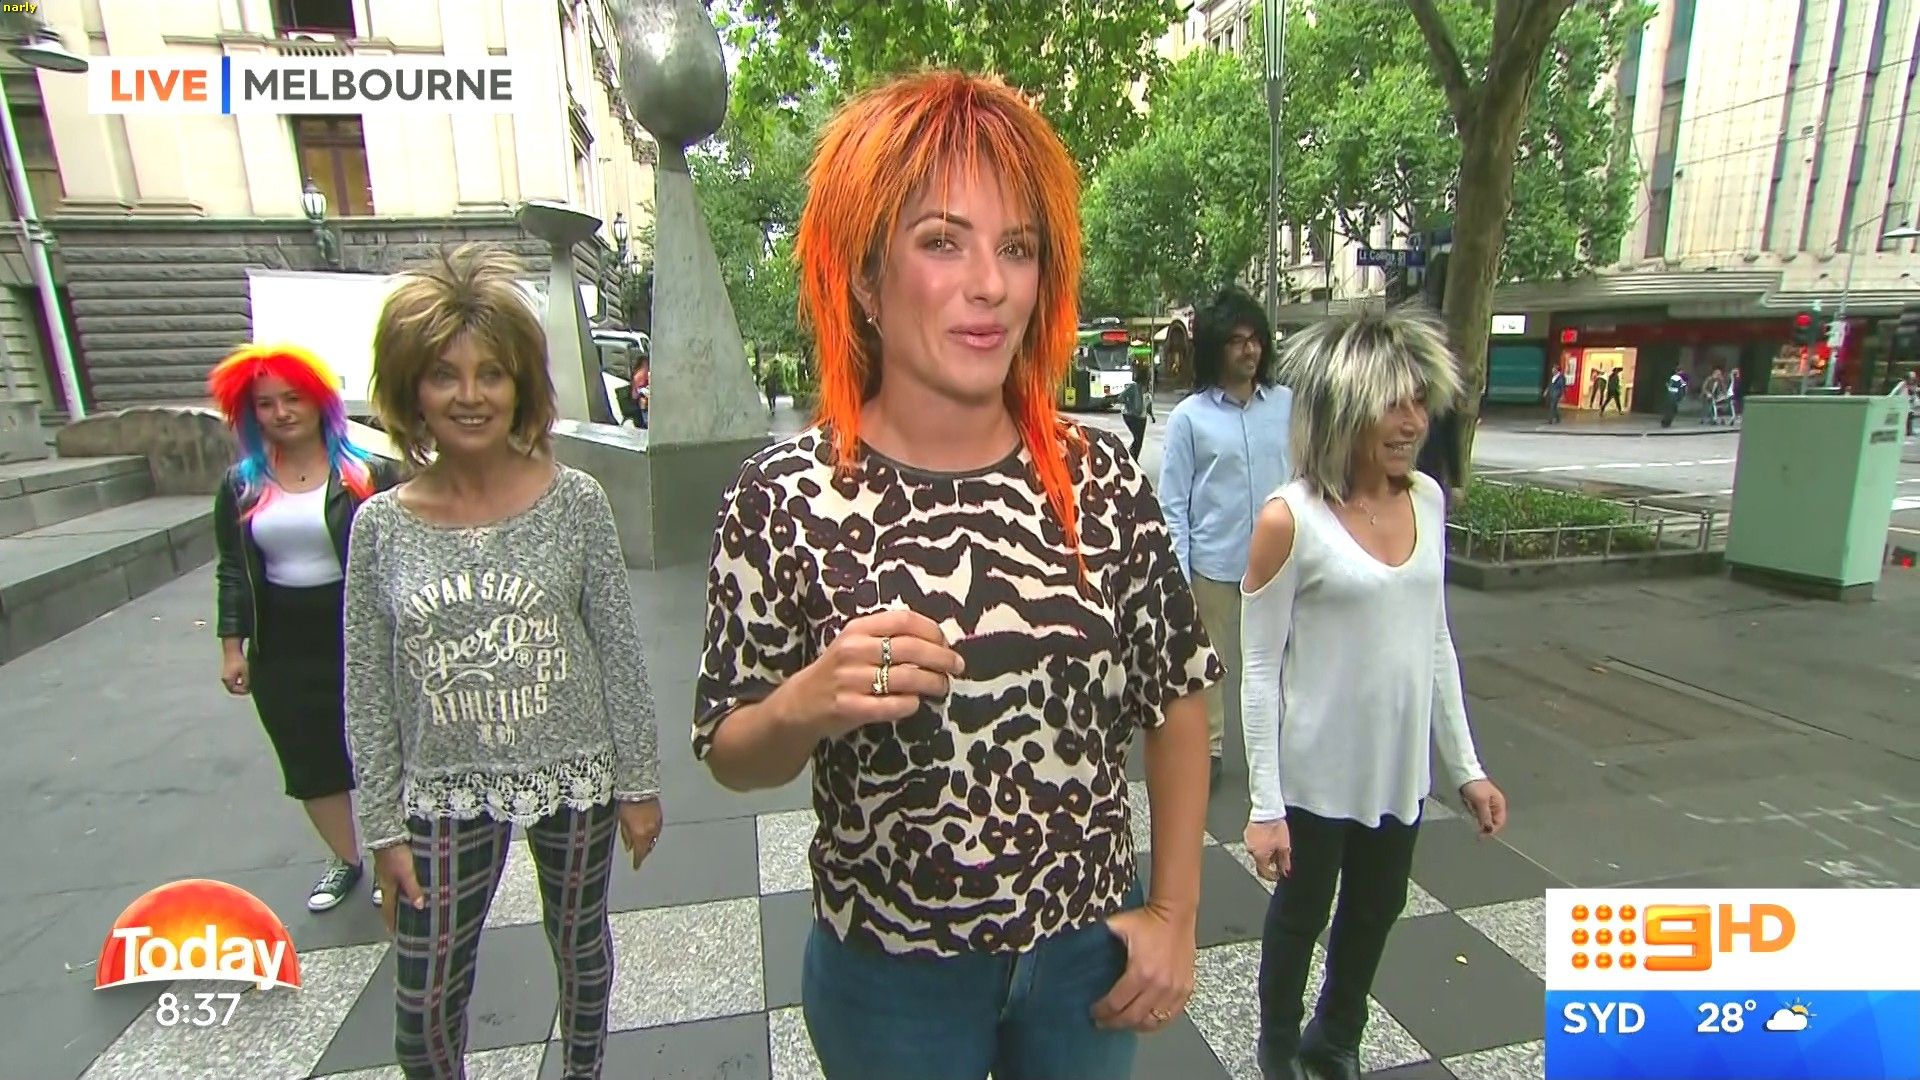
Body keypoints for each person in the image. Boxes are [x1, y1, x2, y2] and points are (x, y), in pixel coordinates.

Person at [693, 71, 1223, 1080]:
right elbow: (730, 748)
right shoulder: (782, 498)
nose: (991, 284)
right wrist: (808, 702)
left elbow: (1178, 691)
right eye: (943, 241)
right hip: (889, 976)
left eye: (1016, 248)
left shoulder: (1100, 479)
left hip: (1085, 958)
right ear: (864, 278)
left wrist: (1174, 913)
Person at [345, 245, 663, 1080]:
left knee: (580, 946)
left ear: (521, 384)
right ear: (411, 388)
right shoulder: (380, 528)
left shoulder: (576, 504)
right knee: (423, 1005)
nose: (470, 395)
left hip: (575, 773)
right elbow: (367, 690)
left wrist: (638, 783)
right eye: (444, 375)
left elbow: (619, 653)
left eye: (491, 373)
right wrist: (382, 829)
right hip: (442, 786)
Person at [1239, 307, 1508, 1080]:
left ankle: (1336, 1037)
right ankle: (1278, 1047)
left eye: (1420, 401)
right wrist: (1265, 806)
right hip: (1315, 775)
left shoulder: (1427, 500)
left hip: (1399, 771)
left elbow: (1434, 638)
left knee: (1377, 908)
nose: (1412, 422)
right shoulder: (1289, 519)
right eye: (1393, 403)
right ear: (1344, 410)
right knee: (1300, 917)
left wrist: (1467, 768)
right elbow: (1257, 669)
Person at [211, 343, 403, 913]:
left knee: (381, 747)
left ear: (320, 401)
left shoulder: (365, 474)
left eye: (293, 398)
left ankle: (391, 855)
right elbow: (232, 568)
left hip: (359, 626)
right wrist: (231, 647)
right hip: (283, 640)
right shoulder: (241, 485)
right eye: (266, 403)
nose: (282, 412)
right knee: (310, 757)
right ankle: (345, 859)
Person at [1158, 288, 1293, 788]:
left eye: (1255, 339)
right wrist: (1179, 575)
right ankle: (1210, 749)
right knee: (1208, 665)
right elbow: (1174, 503)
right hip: (1213, 564)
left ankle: (1281, 747)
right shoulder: (1190, 418)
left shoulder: (1287, 406)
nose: (1249, 349)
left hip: (1280, 564)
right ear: (1216, 348)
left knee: (1282, 661)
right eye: (1237, 340)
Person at [1121, 358, 1151, 457]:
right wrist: (1130, 406)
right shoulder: (1134, 387)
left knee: (1139, 441)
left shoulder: (1147, 388)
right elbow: (1121, 397)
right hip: (1132, 416)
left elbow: (1147, 402)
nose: (1150, 378)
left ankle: (1133, 457)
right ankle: (1131, 457)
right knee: (1137, 440)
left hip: (1142, 418)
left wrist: (1151, 414)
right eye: (1148, 376)